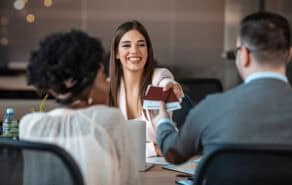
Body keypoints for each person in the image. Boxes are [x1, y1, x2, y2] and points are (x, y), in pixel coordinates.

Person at [154, 11, 292, 164]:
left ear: (244, 55)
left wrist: (163, 119)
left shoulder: (212, 107)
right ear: (289, 54)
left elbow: (173, 153)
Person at [19, 30, 138, 185]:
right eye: (102, 75)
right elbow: (133, 182)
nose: (108, 82)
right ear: (88, 81)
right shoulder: (109, 120)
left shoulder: (29, 124)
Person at [108, 20, 184, 156]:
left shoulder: (158, 78)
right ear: (116, 54)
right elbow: (110, 145)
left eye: (141, 45)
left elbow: (165, 82)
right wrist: (153, 149)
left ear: (148, 51)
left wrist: (172, 86)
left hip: (163, 167)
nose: (134, 51)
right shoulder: (109, 88)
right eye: (126, 45)